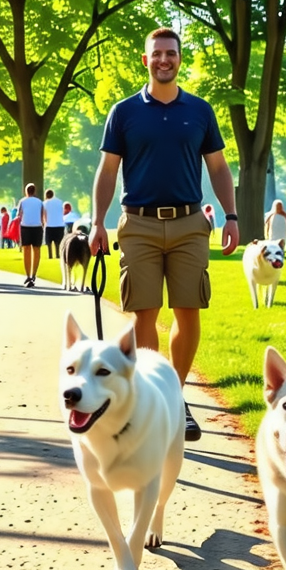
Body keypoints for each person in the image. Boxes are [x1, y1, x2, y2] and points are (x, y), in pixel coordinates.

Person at [88, 26, 239, 442]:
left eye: (170, 53)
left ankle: (174, 394)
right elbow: (107, 171)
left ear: (179, 58)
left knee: (189, 311)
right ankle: (151, 396)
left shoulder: (200, 111)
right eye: (156, 54)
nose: (164, 60)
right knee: (145, 313)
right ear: (145, 60)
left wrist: (231, 215)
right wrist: (97, 222)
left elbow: (220, 168)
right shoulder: (124, 112)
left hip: (191, 224)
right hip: (137, 224)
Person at [18, 184, 45, 286]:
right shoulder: (40, 202)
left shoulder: (22, 201)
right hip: (37, 227)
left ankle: (28, 275)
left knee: (26, 251)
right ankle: (34, 273)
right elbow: (42, 216)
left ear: (26, 191)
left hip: (25, 227)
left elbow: (19, 215)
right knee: (37, 250)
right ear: (34, 191)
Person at [43, 188, 66, 259]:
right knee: (58, 242)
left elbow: (44, 214)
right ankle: (58, 255)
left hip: (50, 225)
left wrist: (44, 223)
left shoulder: (45, 203)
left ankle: (50, 255)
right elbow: (62, 212)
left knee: (49, 243)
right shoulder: (60, 202)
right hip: (60, 225)